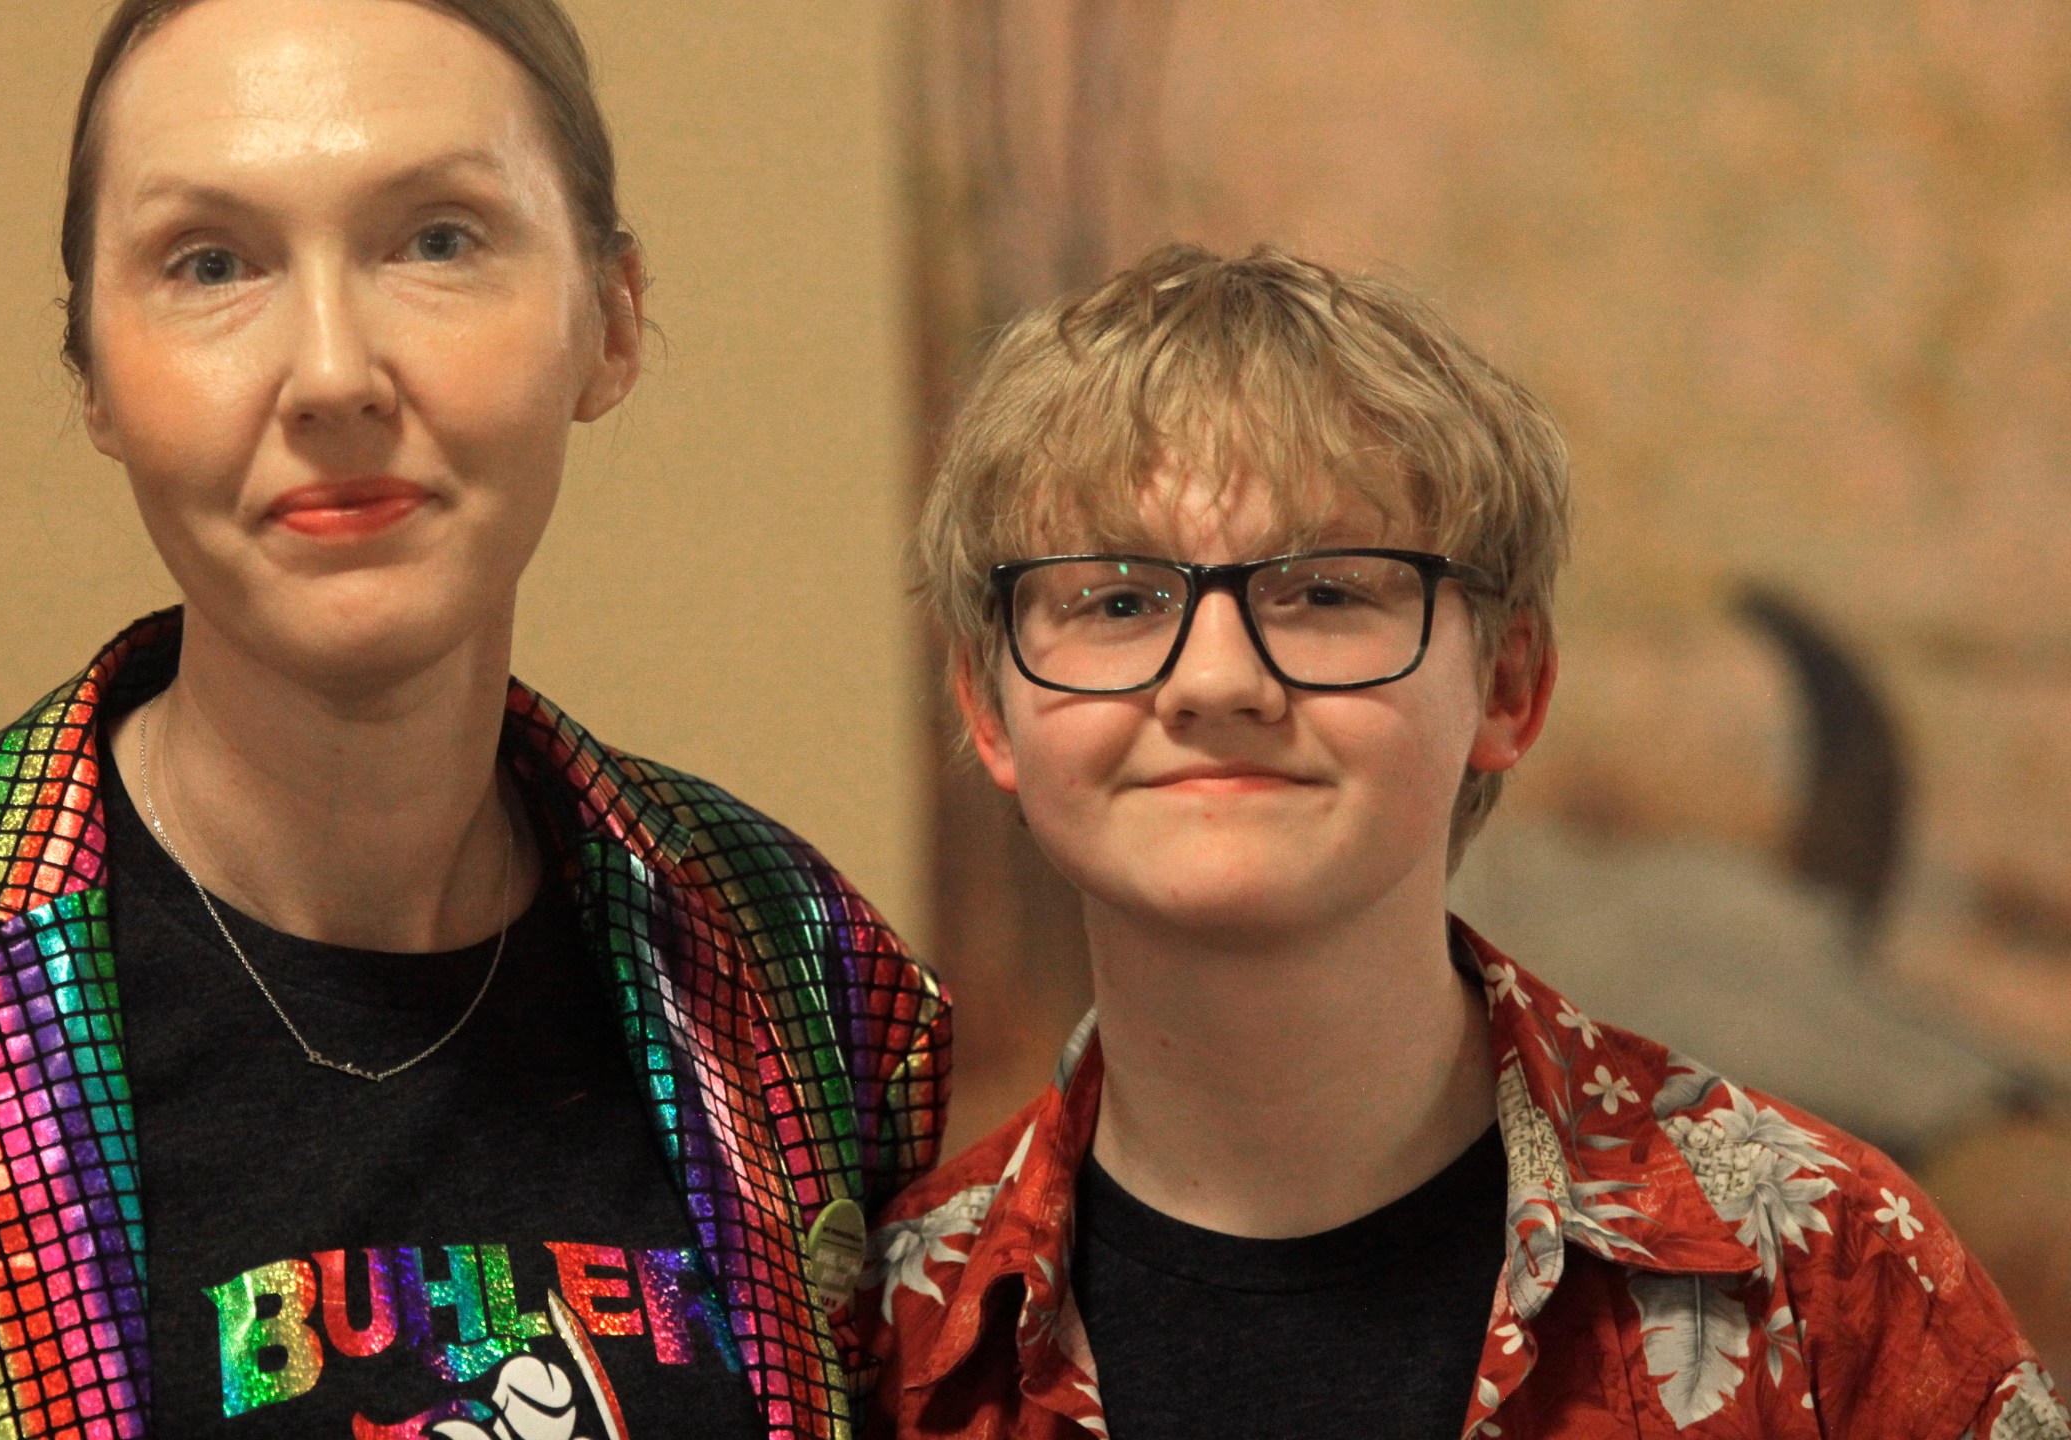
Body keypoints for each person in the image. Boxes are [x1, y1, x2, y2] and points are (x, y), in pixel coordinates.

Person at [0, 3, 947, 1437]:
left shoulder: (794, 971)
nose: (331, 374)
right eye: (211, 263)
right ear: (96, 375)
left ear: (611, 322)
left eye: (438, 239)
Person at [856, 244, 2062, 1438]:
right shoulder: (880, 1350)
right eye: (1116, 600)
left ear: (1508, 685)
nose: (1215, 680)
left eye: (1326, 591)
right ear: (989, 702)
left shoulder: (1830, 1273)